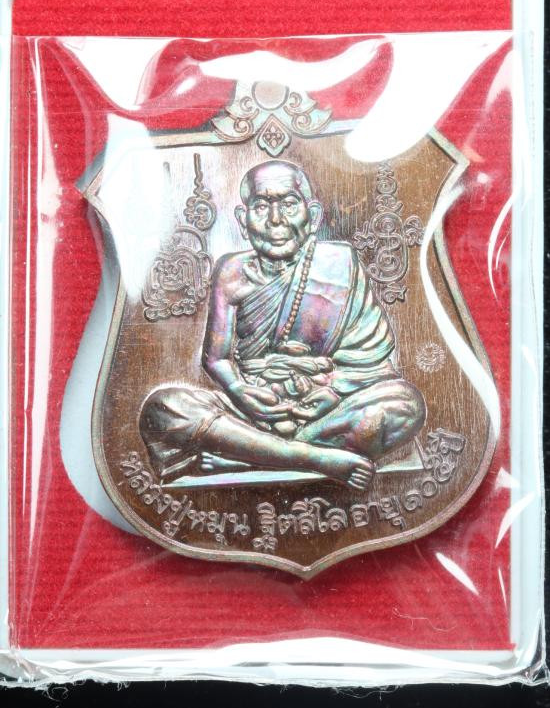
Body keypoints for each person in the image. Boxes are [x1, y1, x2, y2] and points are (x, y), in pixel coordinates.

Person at [140, 159, 425, 492]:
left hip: (325, 408)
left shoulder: (339, 264)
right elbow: (216, 359)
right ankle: (311, 457)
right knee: (164, 409)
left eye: (289, 204)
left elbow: (369, 357)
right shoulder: (231, 272)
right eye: (262, 206)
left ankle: (249, 456)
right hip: (250, 408)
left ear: (313, 216)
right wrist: (239, 391)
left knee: (405, 406)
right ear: (243, 220)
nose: (276, 220)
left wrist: (330, 392)